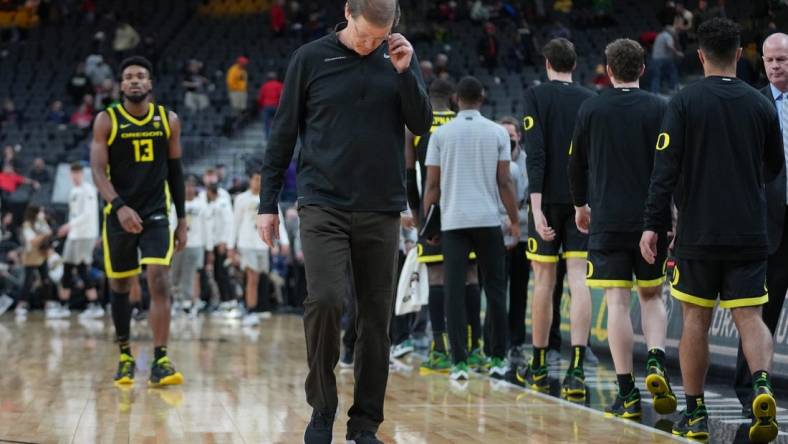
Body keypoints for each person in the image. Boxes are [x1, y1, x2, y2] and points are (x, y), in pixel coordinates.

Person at [257, 0, 431, 442]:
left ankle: (365, 423)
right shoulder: (310, 59)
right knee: (327, 301)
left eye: (380, 36)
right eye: (364, 35)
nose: (371, 44)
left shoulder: (396, 59)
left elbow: (422, 122)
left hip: (381, 208)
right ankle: (322, 409)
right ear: (348, 13)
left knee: (375, 320)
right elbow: (283, 132)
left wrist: (407, 72)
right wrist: (267, 203)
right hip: (322, 204)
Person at [640, 18, 782, 442]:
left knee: (696, 322)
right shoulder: (761, 105)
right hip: (749, 231)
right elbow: (775, 167)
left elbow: (662, 173)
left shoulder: (682, 103)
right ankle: (761, 386)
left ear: (699, 55)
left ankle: (697, 412)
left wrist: (653, 225)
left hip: (698, 233)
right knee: (751, 317)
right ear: (741, 55)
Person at [568, 38, 675, 419]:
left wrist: (581, 206)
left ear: (608, 70)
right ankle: (658, 361)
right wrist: (670, 215)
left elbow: (575, 166)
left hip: (608, 219)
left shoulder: (591, 108)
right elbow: (671, 167)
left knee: (617, 302)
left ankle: (627, 392)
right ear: (643, 69)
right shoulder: (662, 107)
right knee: (652, 297)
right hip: (652, 219)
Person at [90, 56, 188, 387]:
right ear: (121, 85)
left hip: (156, 213)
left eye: (140, 76)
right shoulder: (106, 120)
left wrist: (183, 219)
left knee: (158, 279)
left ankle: (160, 359)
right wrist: (118, 206)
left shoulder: (168, 119)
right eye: (129, 77)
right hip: (118, 213)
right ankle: (125, 356)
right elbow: (97, 172)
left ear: (150, 84)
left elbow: (176, 172)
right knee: (120, 284)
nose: (134, 81)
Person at [423, 76, 519, 381]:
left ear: (456, 99)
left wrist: (429, 224)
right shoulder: (497, 132)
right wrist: (515, 221)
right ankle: (497, 358)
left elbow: (432, 186)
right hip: (488, 220)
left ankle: (459, 362)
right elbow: (504, 182)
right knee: (495, 290)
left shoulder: (440, 134)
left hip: (453, 223)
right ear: (482, 97)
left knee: (453, 291)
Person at [516, 38, 595, 402]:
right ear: (574, 64)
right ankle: (578, 367)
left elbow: (536, 155)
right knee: (579, 281)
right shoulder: (590, 99)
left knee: (544, 282)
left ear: (547, 63)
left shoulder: (535, 96)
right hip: (581, 200)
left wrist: (534, 207)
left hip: (546, 199)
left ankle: (539, 363)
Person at [405, 79, 483, 375]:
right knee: (470, 277)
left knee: (437, 279)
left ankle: (439, 349)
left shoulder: (415, 127)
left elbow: (408, 175)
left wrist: (418, 217)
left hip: (433, 213)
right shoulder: (464, 122)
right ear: (453, 97)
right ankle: (474, 349)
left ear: (425, 97)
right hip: (468, 212)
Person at [734, 32, 788, 418]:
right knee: (758, 312)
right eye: (769, 60)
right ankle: (750, 388)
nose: (774, 66)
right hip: (768, 223)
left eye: (782, 59)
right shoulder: (751, 102)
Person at [233, 172, 288, 326]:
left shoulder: (268, 197)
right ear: (250, 180)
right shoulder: (241, 199)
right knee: (252, 277)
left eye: (261, 180)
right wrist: (231, 245)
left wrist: (284, 241)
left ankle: (252, 308)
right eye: (256, 179)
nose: (258, 182)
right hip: (246, 243)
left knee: (259, 278)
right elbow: (235, 223)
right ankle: (250, 310)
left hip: (262, 244)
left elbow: (279, 220)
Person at [497, 116, 530, 366]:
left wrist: (517, 217)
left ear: (519, 135)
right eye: (504, 134)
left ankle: (516, 343)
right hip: (496, 234)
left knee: (519, 292)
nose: (509, 138)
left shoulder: (528, 162)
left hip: (523, 234)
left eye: (512, 134)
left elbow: (531, 199)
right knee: (496, 291)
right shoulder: (492, 158)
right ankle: (494, 343)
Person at [57, 162, 102, 319]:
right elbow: (74, 214)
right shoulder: (73, 191)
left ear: (82, 173)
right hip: (74, 235)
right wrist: (70, 228)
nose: (74, 176)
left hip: (85, 235)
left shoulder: (88, 190)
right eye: (72, 173)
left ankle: (95, 305)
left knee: (82, 268)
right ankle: (64, 306)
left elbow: (88, 215)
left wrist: (69, 225)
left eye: (77, 173)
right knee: (67, 268)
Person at [170, 177, 213, 316]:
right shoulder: (175, 204)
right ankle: (176, 301)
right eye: (186, 186)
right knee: (175, 275)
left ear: (195, 188)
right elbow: (171, 226)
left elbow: (208, 228)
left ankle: (189, 303)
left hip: (196, 244)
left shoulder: (202, 205)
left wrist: (209, 248)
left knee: (193, 274)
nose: (189, 189)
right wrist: (171, 245)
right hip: (178, 245)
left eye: (191, 186)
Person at [16, 206, 55, 320]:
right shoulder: (27, 224)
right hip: (30, 256)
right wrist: (43, 235)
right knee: (28, 281)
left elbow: (49, 233)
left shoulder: (41, 222)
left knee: (46, 279)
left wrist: (45, 231)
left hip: (42, 254)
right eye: (40, 211)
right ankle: (21, 305)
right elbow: (32, 241)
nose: (41, 213)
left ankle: (48, 304)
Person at [650, 19, 683, 94]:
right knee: (672, 72)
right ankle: (675, 87)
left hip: (655, 58)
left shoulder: (660, 35)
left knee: (656, 76)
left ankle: (655, 92)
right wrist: (677, 53)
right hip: (664, 58)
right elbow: (670, 46)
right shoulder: (668, 36)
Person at [257, 71, 284, 139]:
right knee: (278, 122)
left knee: (266, 122)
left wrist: (261, 106)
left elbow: (261, 97)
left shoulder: (264, 86)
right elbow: (282, 97)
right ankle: (277, 136)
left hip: (267, 106)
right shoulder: (279, 85)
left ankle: (267, 137)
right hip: (276, 106)